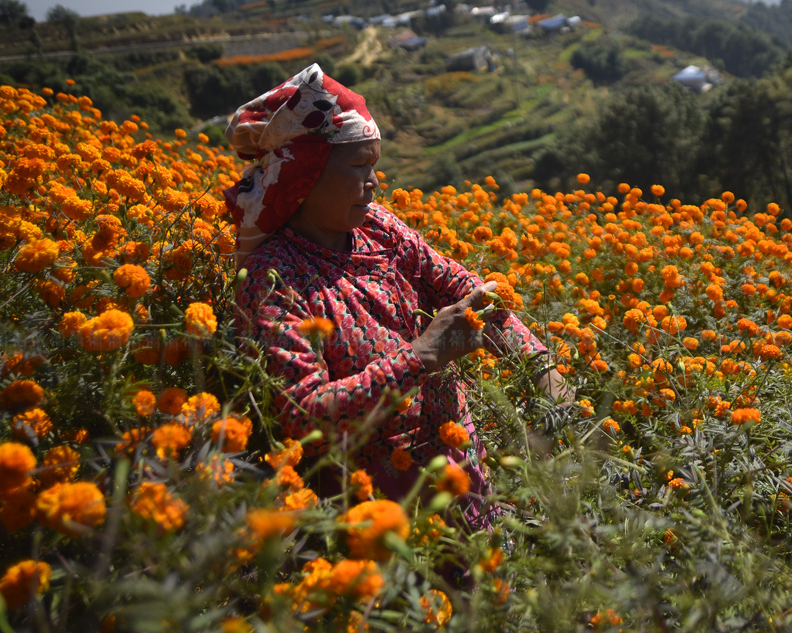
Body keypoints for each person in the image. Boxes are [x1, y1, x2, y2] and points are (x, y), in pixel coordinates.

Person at [223, 63, 567, 531]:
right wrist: (423, 356)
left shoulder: (377, 228)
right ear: (305, 175)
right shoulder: (271, 279)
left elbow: (463, 289)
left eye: (375, 165)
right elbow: (304, 415)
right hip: (375, 512)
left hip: (457, 468)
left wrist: (542, 370)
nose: (374, 181)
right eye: (360, 166)